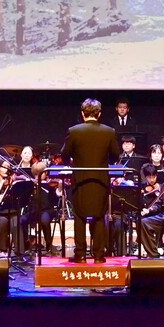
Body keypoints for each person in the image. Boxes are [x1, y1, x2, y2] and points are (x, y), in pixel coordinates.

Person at [61, 98, 120, 263]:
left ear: (82, 114)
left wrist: (72, 162)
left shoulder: (74, 131)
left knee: (79, 216)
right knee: (99, 216)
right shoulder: (109, 131)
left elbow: (64, 155)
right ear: (99, 114)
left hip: (80, 180)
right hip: (100, 180)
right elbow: (115, 155)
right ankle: (99, 255)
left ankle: (80, 255)